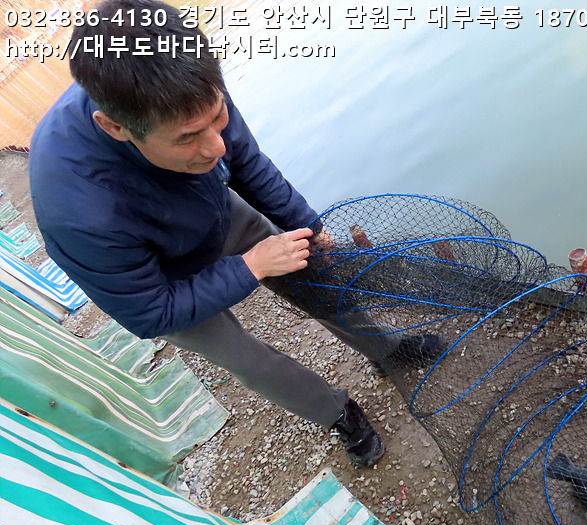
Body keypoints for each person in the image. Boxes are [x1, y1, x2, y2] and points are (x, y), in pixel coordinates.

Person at [29, 0, 440, 468]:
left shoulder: (189, 87)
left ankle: (386, 349)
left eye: (217, 117)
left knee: (314, 277)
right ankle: (338, 413)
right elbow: (151, 312)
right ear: (115, 127)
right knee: (247, 359)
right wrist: (251, 266)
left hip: (207, 204)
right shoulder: (80, 214)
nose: (215, 146)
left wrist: (307, 225)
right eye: (188, 137)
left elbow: (245, 161)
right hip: (158, 277)